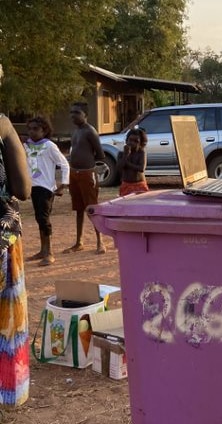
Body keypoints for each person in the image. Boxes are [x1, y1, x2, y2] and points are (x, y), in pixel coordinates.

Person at [0, 113, 32, 407]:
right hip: (2, 237)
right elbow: (22, 189)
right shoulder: (2, 125)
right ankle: (6, 390)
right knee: (5, 320)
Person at [23, 116, 70, 266]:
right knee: (39, 218)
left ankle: (49, 252)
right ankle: (43, 250)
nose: (32, 132)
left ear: (44, 130)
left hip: (45, 187)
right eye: (29, 129)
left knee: (44, 219)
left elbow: (64, 164)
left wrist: (64, 183)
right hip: (33, 186)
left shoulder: (49, 146)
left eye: (35, 129)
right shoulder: (27, 146)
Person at [64, 102, 106, 254]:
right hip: (74, 174)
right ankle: (78, 242)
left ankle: (100, 242)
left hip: (87, 174)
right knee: (79, 209)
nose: (73, 115)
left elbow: (100, 154)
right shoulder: (75, 132)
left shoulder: (90, 131)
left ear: (85, 115)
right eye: (71, 112)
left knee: (92, 209)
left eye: (76, 112)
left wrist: (88, 164)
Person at [117, 128, 149, 196]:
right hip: (126, 184)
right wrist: (126, 155)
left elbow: (141, 168)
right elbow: (119, 167)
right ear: (126, 140)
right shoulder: (121, 153)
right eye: (130, 140)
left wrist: (127, 164)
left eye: (136, 141)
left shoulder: (141, 153)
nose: (132, 143)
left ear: (141, 143)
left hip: (139, 184)